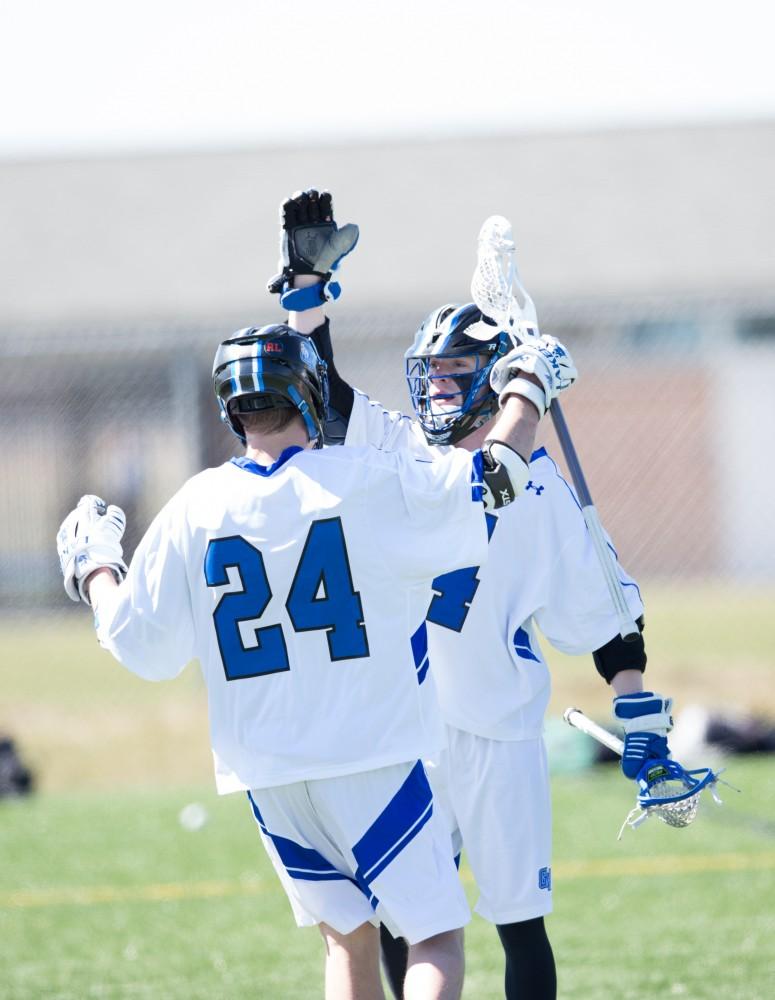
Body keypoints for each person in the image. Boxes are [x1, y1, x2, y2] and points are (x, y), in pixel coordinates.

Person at [56, 312, 573, 999]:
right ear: (308, 390)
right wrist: (527, 387)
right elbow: (498, 484)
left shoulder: (195, 505)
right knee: (434, 936)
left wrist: (95, 562)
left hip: (264, 770)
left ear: (231, 407)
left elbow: (138, 645)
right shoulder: (363, 478)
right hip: (369, 753)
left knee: (347, 939)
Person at [267, 190, 675, 1000]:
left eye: (458, 375)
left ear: (493, 380)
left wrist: (634, 708)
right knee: (403, 917)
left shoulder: (541, 489)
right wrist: (304, 295)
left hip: (495, 727)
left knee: (517, 922)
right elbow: (323, 388)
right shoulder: (400, 451)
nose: (441, 392)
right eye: (433, 376)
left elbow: (604, 619)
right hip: (407, 729)